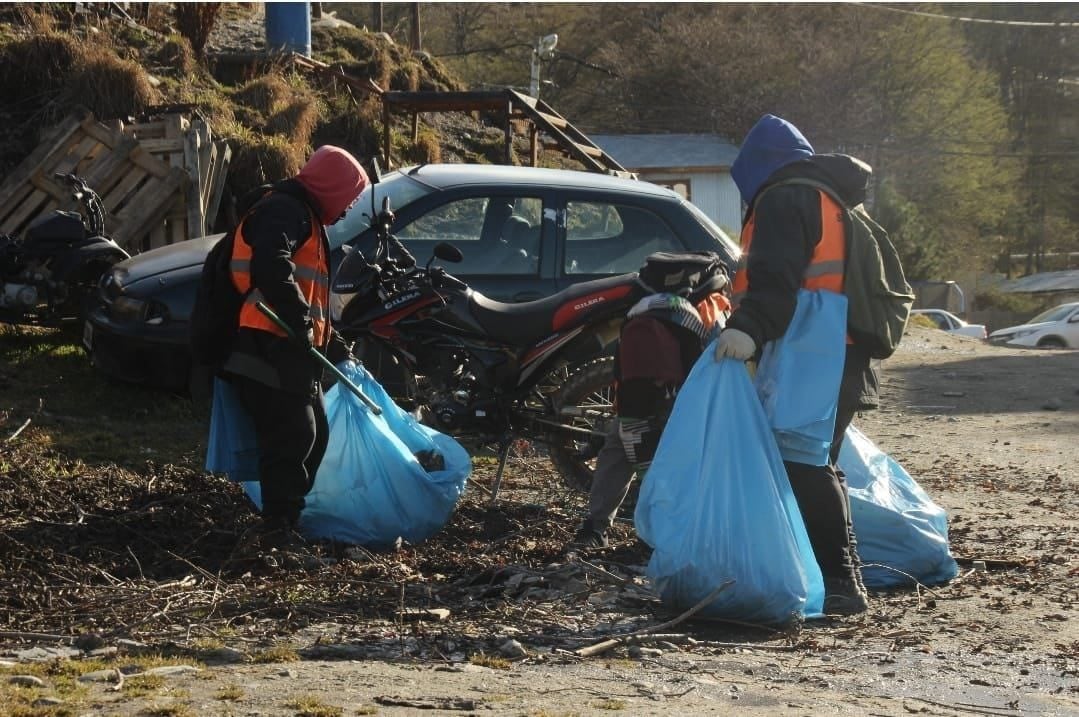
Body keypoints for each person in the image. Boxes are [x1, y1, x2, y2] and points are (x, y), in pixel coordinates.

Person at [716, 113, 879, 615]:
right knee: (814, 463)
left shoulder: (786, 197)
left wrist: (749, 328)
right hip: (837, 351)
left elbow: (776, 279)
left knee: (803, 464)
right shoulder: (830, 198)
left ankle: (840, 582)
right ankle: (829, 575)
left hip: (814, 353)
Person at [224, 145, 368, 554]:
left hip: (290, 343)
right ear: (331, 186)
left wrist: (336, 347)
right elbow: (272, 263)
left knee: (314, 433)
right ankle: (276, 527)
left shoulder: (304, 216)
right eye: (350, 196)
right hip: (266, 339)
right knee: (294, 434)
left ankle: (285, 518)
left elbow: (311, 297)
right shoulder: (284, 211)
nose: (349, 206)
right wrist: (298, 320)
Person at [570, 287, 730, 549]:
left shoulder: (664, 328)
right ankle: (636, 529)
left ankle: (606, 526)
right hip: (650, 393)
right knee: (629, 452)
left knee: (631, 453)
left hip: (660, 390)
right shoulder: (671, 327)